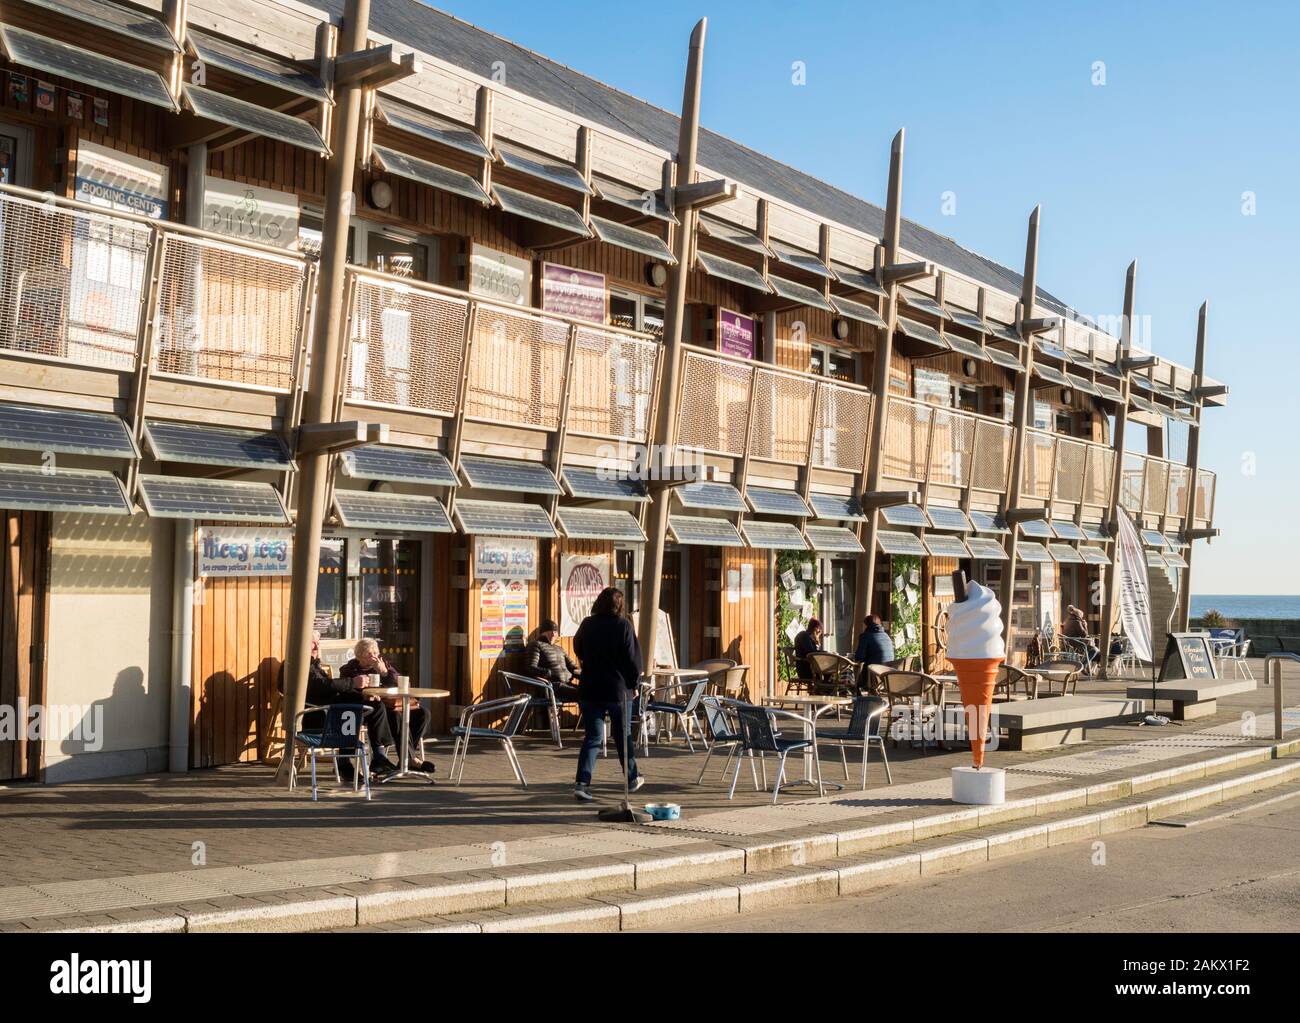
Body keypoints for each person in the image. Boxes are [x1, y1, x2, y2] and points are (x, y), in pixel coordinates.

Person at [278, 632, 398, 780]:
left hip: (328, 708)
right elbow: (319, 686)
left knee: (375, 706)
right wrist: (352, 683)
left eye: (318, 642)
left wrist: (363, 693)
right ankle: (345, 763)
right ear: (301, 645)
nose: (317, 646)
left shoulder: (309, 663)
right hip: (316, 714)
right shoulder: (297, 664)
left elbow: (324, 686)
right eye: (313, 643)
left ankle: (377, 758)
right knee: (354, 712)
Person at [571, 587, 643, 802]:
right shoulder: (623, 626)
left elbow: (578, 648)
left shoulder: (587, 624)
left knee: (592, 737)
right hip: (618, 689)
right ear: (620, 605)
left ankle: (582, 784)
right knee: (622, 735)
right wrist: (634, 684)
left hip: (590, 687)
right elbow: (633, 660)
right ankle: (631, 778)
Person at [339, 638, 434, 774]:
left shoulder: (383, 665)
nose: (374, 657)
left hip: (391, 705)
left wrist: (384, 672)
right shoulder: (349, 669)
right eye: (369, 654)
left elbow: (400, 682)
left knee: (423, 714)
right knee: (395, 716)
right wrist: (365, 694)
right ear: (359, 656)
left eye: (375, 652)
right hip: (372, 710)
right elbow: (348, 690)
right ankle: (406, 759)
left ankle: (407, 758)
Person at [524, 619, 582, 702]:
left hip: (566, 684)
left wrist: (584, 675)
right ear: (542, 633)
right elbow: (530, 668)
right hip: (552, 686)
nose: (553, 634)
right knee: (585, 694)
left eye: (555, 632)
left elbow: (573, 667)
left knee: (593, 691)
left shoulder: (559, 649)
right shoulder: (535, 645)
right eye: (549, 632)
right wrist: (548, 673)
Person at [853, 614, 895, 680]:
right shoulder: (886, 636)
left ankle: (857, 686)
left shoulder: (865, 636)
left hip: (874, 673)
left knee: (858, 678)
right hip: (887, 673)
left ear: (866, 625)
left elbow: (859, 657)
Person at [1062, 605, 1099, 670]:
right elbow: (1084, 634)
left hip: (1068, 644)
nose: (1082, 618)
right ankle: (1083, 665)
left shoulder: (1067, 621)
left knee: (1092, 648)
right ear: (1078, 616)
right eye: (1082, 617)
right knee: (1095, 650)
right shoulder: (1077, 622)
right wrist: (1085, 626)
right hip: (1077, 644)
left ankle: (1088, 668)